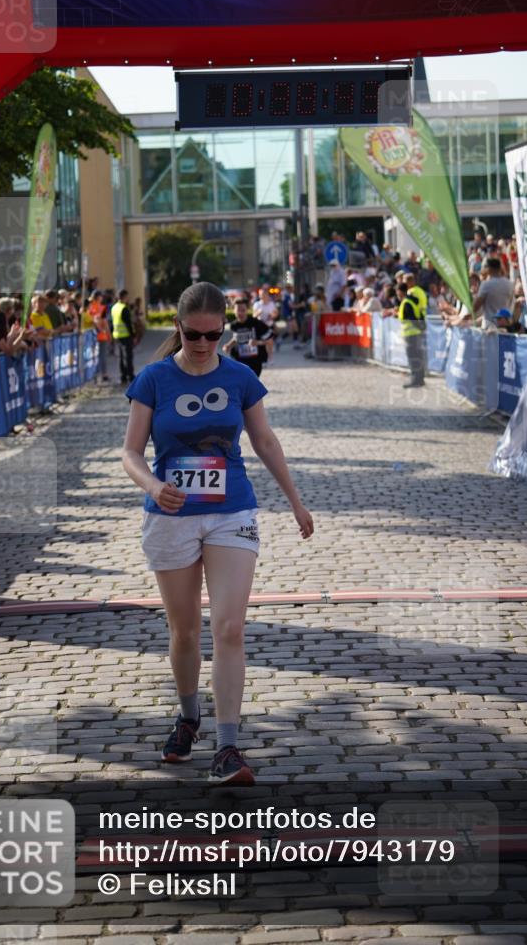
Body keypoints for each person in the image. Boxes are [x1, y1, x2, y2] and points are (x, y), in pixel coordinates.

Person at [121, 282, 313, 785]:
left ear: (223, 329)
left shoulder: (241, 376)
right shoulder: (153, 379)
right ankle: (188, 718)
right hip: (171, 516)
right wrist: (153, 484)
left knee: (229, 628)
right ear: (178, 329)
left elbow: (265, 440)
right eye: (193, 335)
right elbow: (130, 452)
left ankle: (228, 748)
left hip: (232, 511)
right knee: (185, 632)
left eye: (213, 334)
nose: (203, 344)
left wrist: (295, 501)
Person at [223, 297, 272, 377]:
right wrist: (228, 345)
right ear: (234, 310)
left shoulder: (256, 323)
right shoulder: (234, 325)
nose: (240, 313)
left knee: (251, 384)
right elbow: (236, 338)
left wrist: (257, 342)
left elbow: (269, 340)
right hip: (239, 360)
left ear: (247, 310)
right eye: (238, 310)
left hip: (255, 361)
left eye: (243, 310)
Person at [397, 281, 427, 388]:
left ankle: (415, 380)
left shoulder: (406, 303)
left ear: (401, 292)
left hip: (410, 334)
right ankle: (420, 378)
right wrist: (422, 327)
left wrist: (420, 327)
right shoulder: (412, 301)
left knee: (413, 358)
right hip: (416, 333)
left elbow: (412, 318)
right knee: (418, 356)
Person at [473, 258, 514, 330]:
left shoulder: (486, 284)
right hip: (505, 326)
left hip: (489, 328)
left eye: (485, 267)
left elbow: (475, 307)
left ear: (489, 268)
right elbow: (510, 303)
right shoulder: (509, 284)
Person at [111, 289, 135, 384]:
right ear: (124, 297)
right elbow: (128, 323)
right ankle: (130, 375)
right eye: (127, 296)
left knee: (121, 357)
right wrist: (133, 334)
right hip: (125, 335)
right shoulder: (124, 308)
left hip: (117, 335)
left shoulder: (114, 307)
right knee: (128, 356)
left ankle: (123, 376)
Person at [88, 290, 111, 381]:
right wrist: (109, 334)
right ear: (98, 297)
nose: (102, 298)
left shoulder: (89, 308)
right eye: (101, 296)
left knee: (93, 356)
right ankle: (104, 374)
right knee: (102, 355)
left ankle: (94, 374)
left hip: (90, 336)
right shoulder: (102, 308)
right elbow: (105, 322)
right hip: (102, 335)